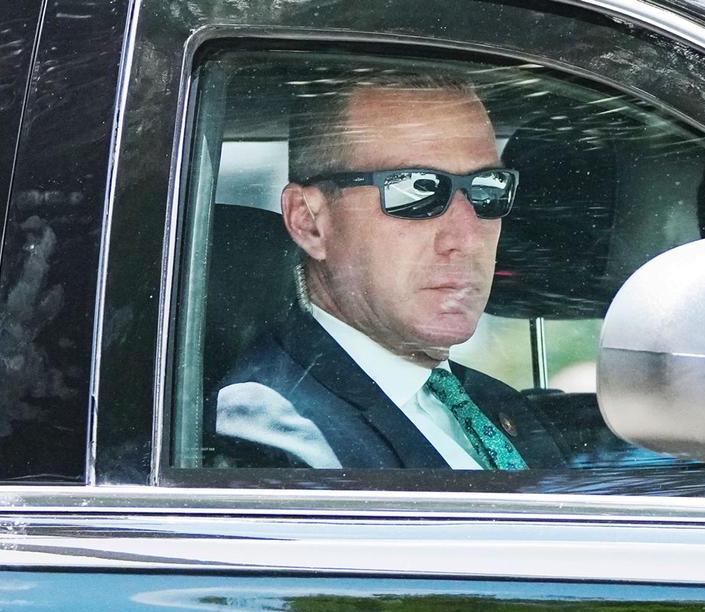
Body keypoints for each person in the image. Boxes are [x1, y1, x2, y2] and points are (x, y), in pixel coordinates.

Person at [212, 72, 564, 470]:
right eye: (416, 190)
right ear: (309, 221)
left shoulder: (498, 404)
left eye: (488, 187)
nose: (467, 237)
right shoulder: (280, 433)